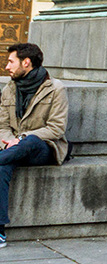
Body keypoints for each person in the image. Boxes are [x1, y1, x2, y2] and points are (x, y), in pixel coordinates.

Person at [1, 43, 70, 249]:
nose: (6, 67)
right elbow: (2, 125)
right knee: (2, 167)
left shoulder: (55, 89)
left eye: (11, 62)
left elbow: (56, 128)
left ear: (26, 62)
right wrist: (10, 142)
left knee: (30, 141)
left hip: (44, 147)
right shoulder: (10, 88)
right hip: (11, 147)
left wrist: (21, 139)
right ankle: (0, 232)